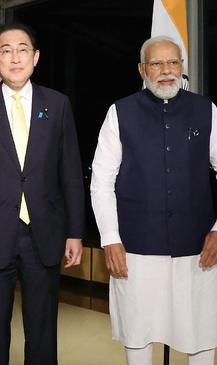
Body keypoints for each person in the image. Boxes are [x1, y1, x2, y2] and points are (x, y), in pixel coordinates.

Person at [0, 23, 85, 365]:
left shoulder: (57, 105)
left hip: (45, 234)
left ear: (36, 57)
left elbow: (70, 173)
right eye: (6, 51)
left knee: (42, 332)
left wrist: (74, 232)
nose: (15, 57)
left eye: (23, 49)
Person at [91, 36, 217, 365]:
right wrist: (110, 238)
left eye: (173, 62)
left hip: (198, 247)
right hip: (135, 247)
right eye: (156, 63)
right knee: (137, 330)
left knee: (201, 331)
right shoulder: (120, 112)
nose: (165, 71)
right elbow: (101, 180)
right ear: (142, 69)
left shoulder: (206, 110)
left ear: (182, 67)